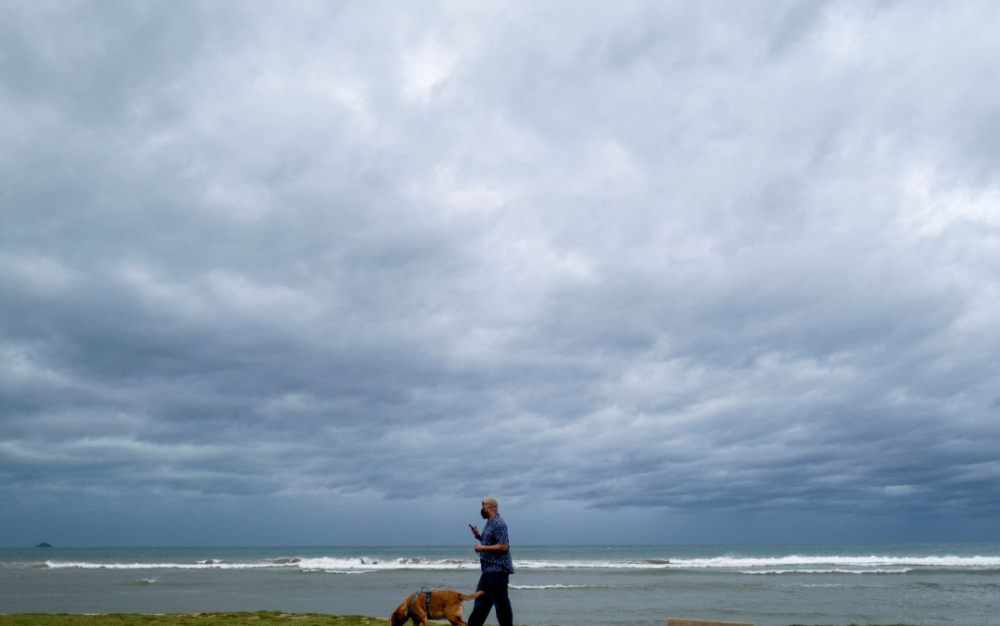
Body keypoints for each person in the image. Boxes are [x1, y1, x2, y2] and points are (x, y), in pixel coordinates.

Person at [467, 498, 514, 626]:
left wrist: (483, 548)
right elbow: (491, 542)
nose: (482, 510)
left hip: (498, 570)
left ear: (491, 507)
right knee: (480, 603)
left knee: (501, 604)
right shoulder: (490, 523)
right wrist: (479, 537)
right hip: (488, 570)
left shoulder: (499, 524)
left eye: (484, 507)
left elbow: (504, 546)